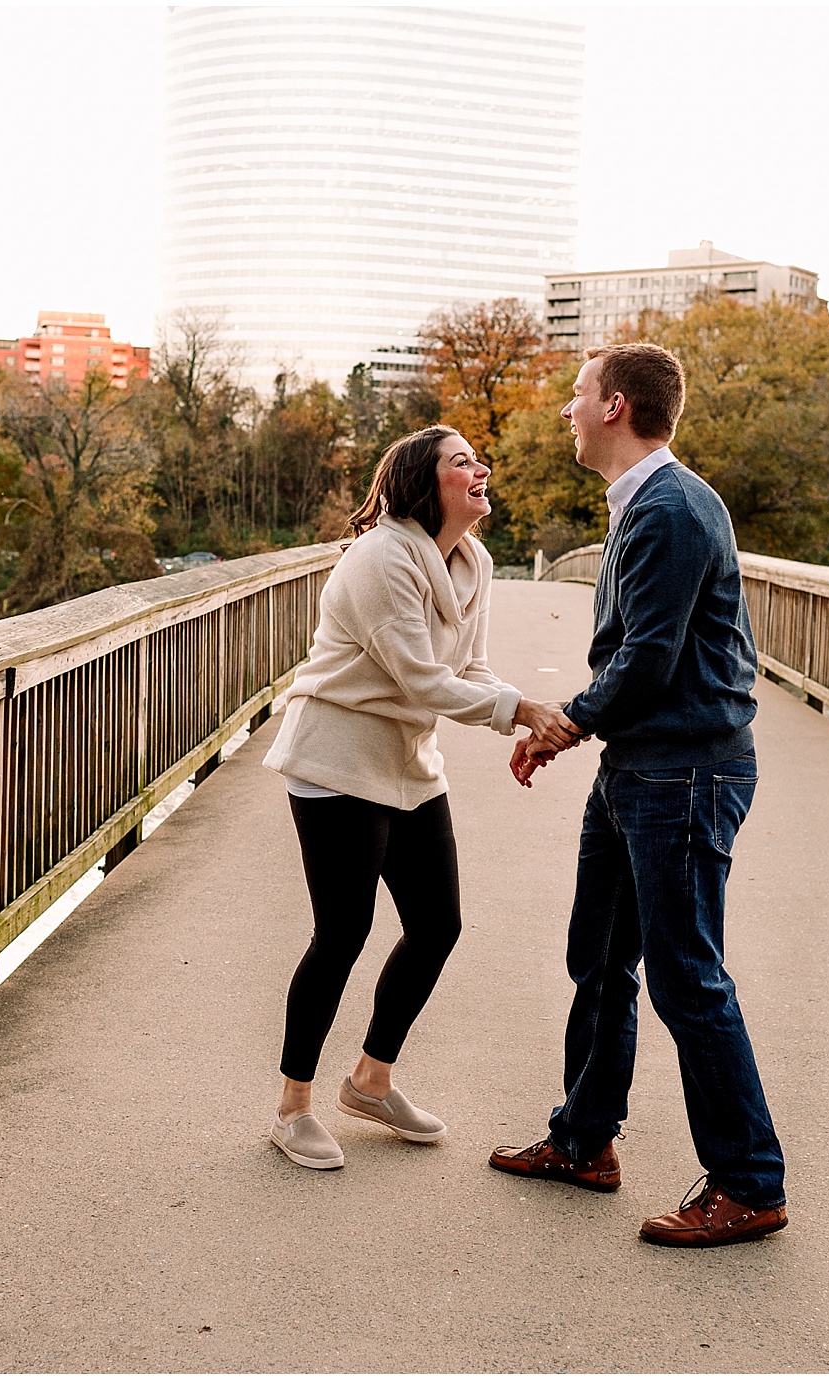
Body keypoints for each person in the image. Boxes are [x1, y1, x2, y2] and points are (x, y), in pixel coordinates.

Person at [491, 342, 789, 1247]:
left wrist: (561, 723)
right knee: (601, 958)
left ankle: (749, 1184)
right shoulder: (643, 505)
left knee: (688, 979)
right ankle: (584, 1142)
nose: (567, 411)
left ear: (616, 406)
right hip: (643, 767)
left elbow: (648, 659)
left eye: (578, 396)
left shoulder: (669, 509)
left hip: (683, 773)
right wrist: (586, 730)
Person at [262, 425, 573, 1171]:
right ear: (420, 483)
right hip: (337, 758)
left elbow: (469, 666)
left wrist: (513, 722)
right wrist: (523, 711)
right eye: (461, 461)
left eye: (477, 459)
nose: (481, 468)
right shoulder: (380, 557)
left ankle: (371, 1080)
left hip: (407, 761)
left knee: (438, 924)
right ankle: (292, 1107)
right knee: (343, 933)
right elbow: (419, 678)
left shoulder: (473, 559)